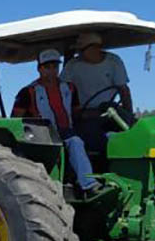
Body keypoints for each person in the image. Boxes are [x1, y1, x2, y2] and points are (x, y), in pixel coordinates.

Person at [12, 48, 101, 194]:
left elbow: (77, 112)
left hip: (68, 129)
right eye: (47, 67)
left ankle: (103, 176)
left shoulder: (70, 88)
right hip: (43, 134)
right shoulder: (28, 92)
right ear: (40, 69)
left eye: (55, 67)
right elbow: (17, 118)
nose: (52, 71)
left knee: (101, 136)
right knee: (75, 142)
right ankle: (88, 183)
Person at [62, 32, 132, 152]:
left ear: (95, 48)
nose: (79, 53)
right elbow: (63, 91)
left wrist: (129, 116)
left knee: (126, 131)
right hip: (84, 114)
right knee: (93, 134)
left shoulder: (114, 62)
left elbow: (124, 91)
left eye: (82, 50)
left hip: (110, 112)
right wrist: (76, 112)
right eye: (78, 51)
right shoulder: (72, 66)